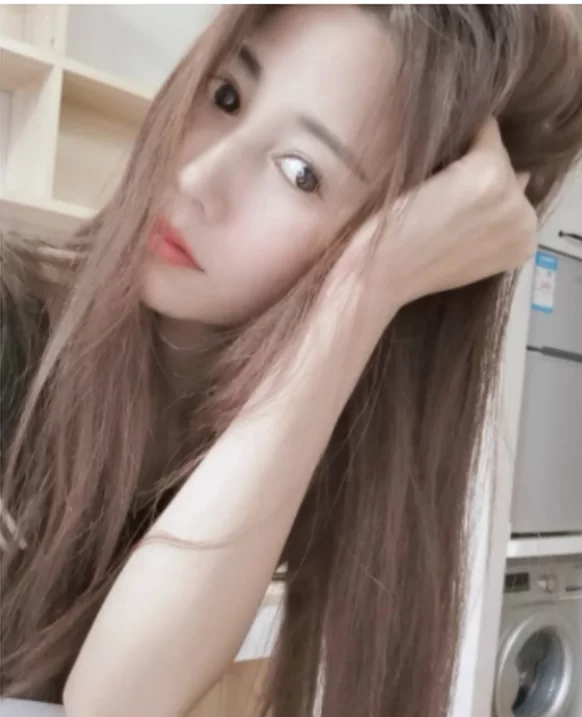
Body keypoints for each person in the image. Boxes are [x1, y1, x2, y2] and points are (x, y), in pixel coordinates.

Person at [1, 5, 581, 717]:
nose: (198, 175)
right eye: (226, 96)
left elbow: (118, 700)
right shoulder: (13, 325)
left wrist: (366, 288)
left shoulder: (300, 447)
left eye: (302, 172)